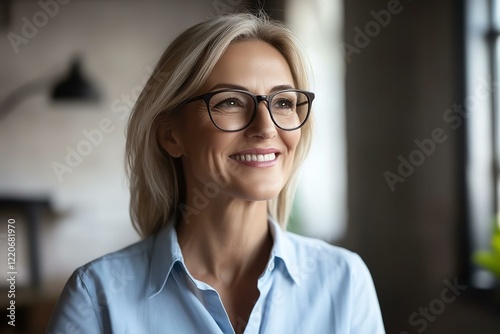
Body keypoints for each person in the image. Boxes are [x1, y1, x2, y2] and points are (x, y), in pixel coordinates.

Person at [46, 12, 385, 334]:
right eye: (231, 102)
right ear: (171, 134)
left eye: (283, 102)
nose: (266, 128)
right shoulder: (97, 295)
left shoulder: (344, 280)